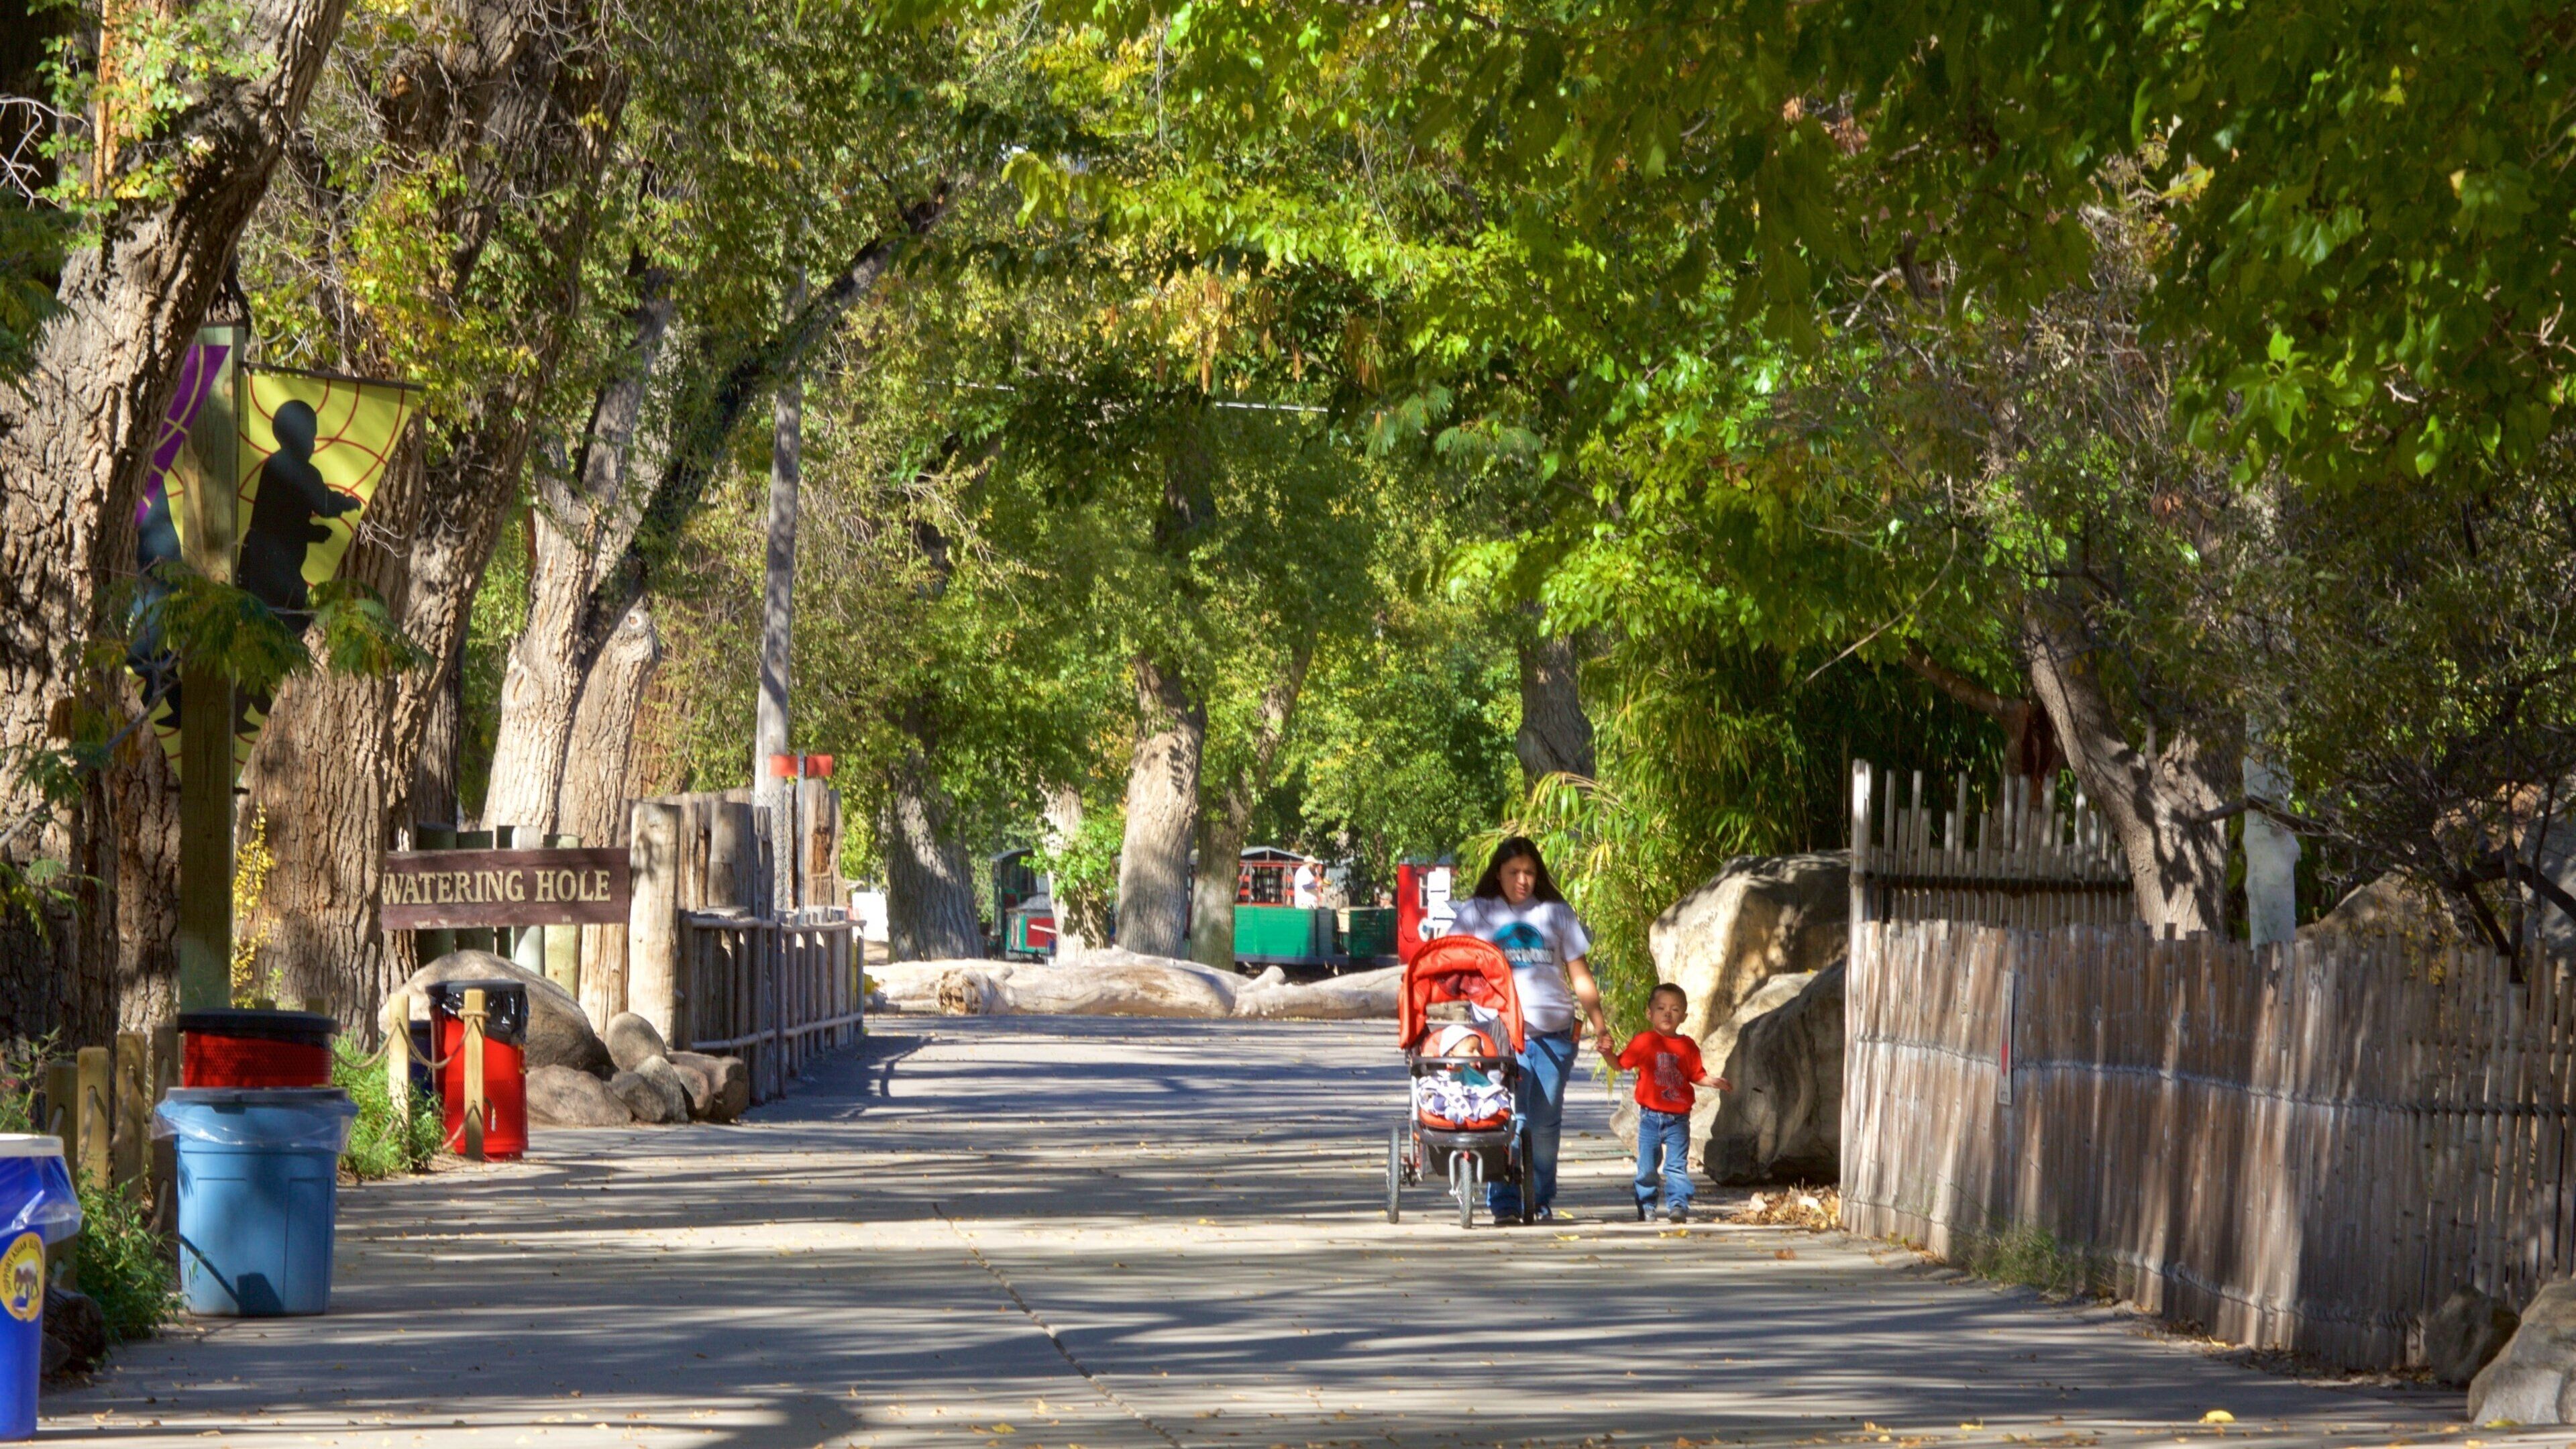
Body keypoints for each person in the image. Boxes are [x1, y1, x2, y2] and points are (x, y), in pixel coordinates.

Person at [1444, 836, 1611, 1221]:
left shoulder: (1556, 913)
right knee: (1507, 1118)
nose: (1523, 880)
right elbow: (1450, 958)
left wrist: (1600, 1023)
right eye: (1514, 872)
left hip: (1554, 1035)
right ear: (1498, 875)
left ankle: (1538, 1200)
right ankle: (1504, 1202)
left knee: (1545, 1123)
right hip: (1500, 1035)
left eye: (1530, 873)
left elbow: (1580, 975)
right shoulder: (1476, 913)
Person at [1615, 983, 1729, 1222]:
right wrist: (1606, 1052)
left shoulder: (1687, 1046)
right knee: (1647, 1168)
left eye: (1675, 1009)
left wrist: (1711, 1081)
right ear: (1650, 1013)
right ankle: (1646, 1205)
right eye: (1661, 1008)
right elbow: (1620, 1064)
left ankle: (1678, 1206)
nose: (1668, 1013)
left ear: (1684, 1016)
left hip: (1678, 1120)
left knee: (1676, 1166)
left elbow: (1695, 1074)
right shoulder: (1643, 1042)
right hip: (1649, 1118)